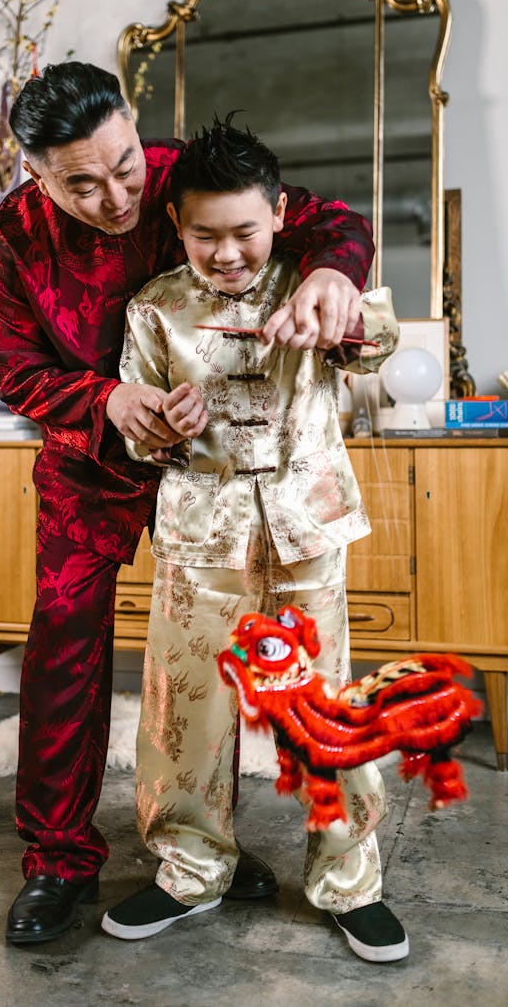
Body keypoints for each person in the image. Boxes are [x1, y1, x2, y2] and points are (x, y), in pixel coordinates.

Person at [0, 61, 377, 946]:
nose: (117, 195)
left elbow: (326, 222)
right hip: (93, 467)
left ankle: (207, 852)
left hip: (220, 477)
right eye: (82, 181)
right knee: (63, 650)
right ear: (35, 172)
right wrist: (107, 401)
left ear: (131, 123)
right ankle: (58, 859)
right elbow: (13, 368)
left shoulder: (183, 178)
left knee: (215, 663)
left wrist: (334, 275)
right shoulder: (7, 241)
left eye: (123, 166)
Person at [101, 115, 407, 963]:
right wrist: (162, 424)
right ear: (178, 228)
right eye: (205, 235)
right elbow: (135, 428)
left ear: (279, 212)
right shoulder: (155, 311)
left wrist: (338, 304)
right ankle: (188, 870)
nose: (227, 252)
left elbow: (376, 341)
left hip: (307, 529)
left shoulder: (313, 282)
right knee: (183, 711)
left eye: (244, 231)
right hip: (201, 540)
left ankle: (350, 880)